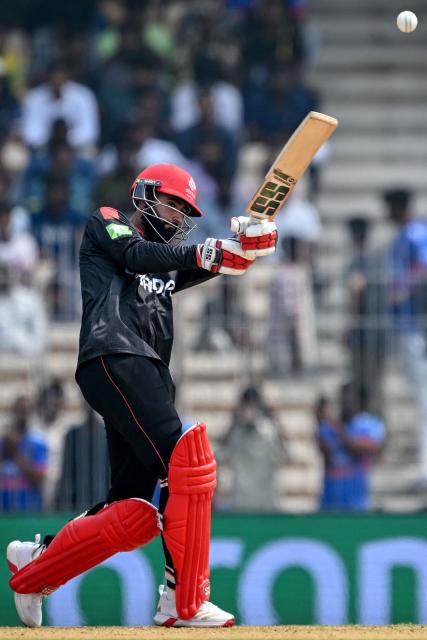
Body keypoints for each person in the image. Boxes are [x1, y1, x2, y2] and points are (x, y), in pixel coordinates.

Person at [6, 162, 277, 627]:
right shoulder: (106, 222)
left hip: (141, 370)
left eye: (184, 211)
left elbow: (202, 264)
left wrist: (246, 246)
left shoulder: (166, 260)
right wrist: (211, 251)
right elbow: (137, 256)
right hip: (115, 354)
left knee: (129, 509)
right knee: (185, 464)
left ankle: (36, 563)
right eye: (172, 203)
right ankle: (181, 600)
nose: (177, 217)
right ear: (145, 194)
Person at [384, 188, 427, 486]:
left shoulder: (415, 235)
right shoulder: (403, 236)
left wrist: (402, 292)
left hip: (415, 325)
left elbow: (423, 271)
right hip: (406, 325)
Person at [316, 382, 386, 511]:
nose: (345, 404)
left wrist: (335, 427)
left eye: (349, 400)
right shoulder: (329, 425)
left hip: (357, 494)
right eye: (343, 400)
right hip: (331, 493)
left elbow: (360, 448)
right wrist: (319, 422)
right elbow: (325, 455)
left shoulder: (369, 423)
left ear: (360, 401)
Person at [216, 386, 287, 511]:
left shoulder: (270, 431)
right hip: (242, 504)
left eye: (253, 406)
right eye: (247, 406)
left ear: (260, 407)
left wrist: (277, 423)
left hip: (266, 503)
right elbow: (217, 457)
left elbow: (287, 457)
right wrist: (230, 426)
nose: (250, 411)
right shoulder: (235, 433)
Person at [0, 395, 48, 512]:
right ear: (13, 412)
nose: (23, 415)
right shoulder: (3, 441)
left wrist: (15, 453)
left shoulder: (39, 442)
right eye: (20, 410)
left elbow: (39, 478)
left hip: (29, 507)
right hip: (3, 506)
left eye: (26, 411)